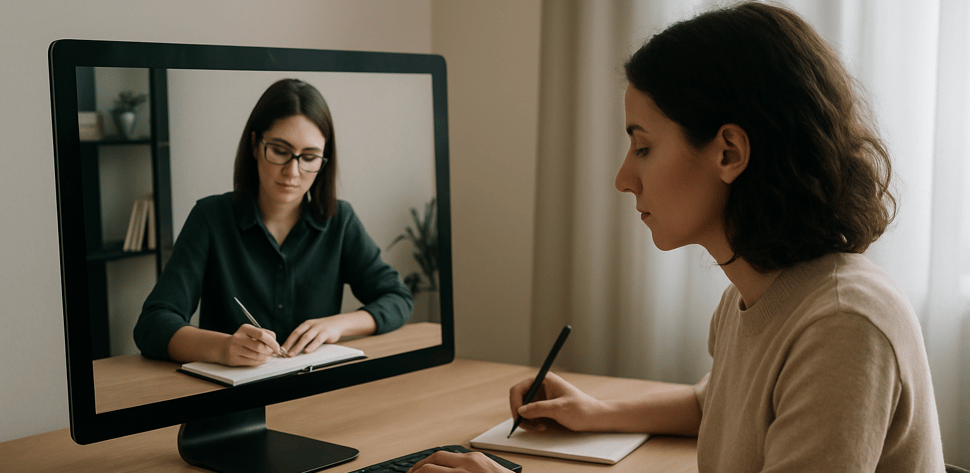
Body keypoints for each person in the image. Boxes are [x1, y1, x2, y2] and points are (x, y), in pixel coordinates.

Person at [409, 2, 945, 472]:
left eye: (642, 147)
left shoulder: (843, 326)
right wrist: (596, 411)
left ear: (729, 153)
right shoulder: (755, 294)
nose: (623, 179)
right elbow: (715, 405)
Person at [134, 78, 412, 367]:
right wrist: (222, 347)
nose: (293, 171)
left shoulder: (339, 220)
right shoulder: (210, 218)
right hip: (232, 399)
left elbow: (398, 298)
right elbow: (152, 324)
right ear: (255, 145)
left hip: (313, 394)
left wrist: (338, 325)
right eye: (280, 151)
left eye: (309, 157)